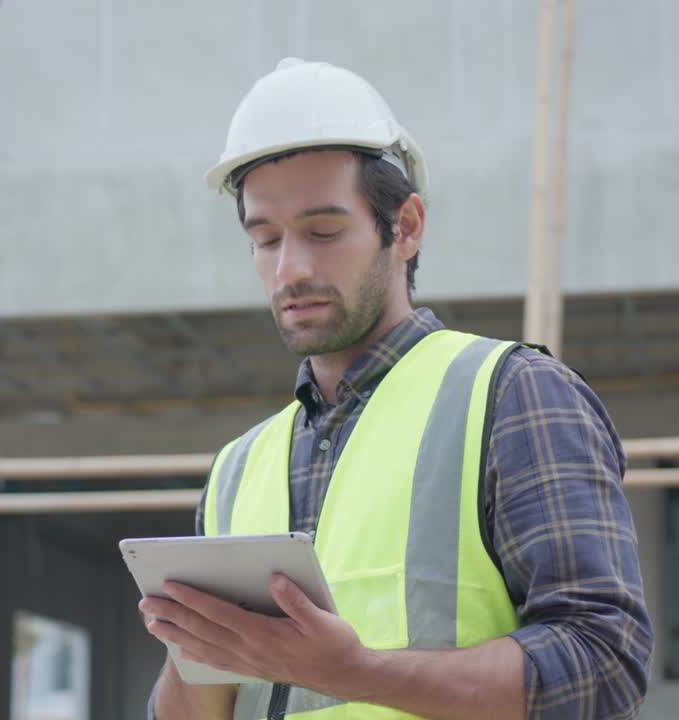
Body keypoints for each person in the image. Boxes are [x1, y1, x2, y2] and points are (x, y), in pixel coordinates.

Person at [143, 58, 652, 720]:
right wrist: (193, 647)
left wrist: (356, 672)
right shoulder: (238, 469)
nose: (289, 268)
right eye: (264, 239)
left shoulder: (512, 398)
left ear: (405, 227)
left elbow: (603, 665)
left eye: (323, 231)